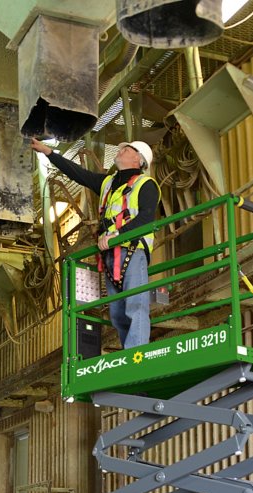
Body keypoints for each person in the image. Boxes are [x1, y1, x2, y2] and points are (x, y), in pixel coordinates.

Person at [31, 138, 159, 350]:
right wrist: (49, 153)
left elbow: (146, 218)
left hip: (132, 250)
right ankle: (130, 353)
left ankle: (137, 356)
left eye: (125, 149)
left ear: (138, 158)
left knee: (135, 304)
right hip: (109, 252)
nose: (119, 150)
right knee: (117, 312)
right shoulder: (108, 184)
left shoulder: (145, 185)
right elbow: (78, 174)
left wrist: (118, 234)